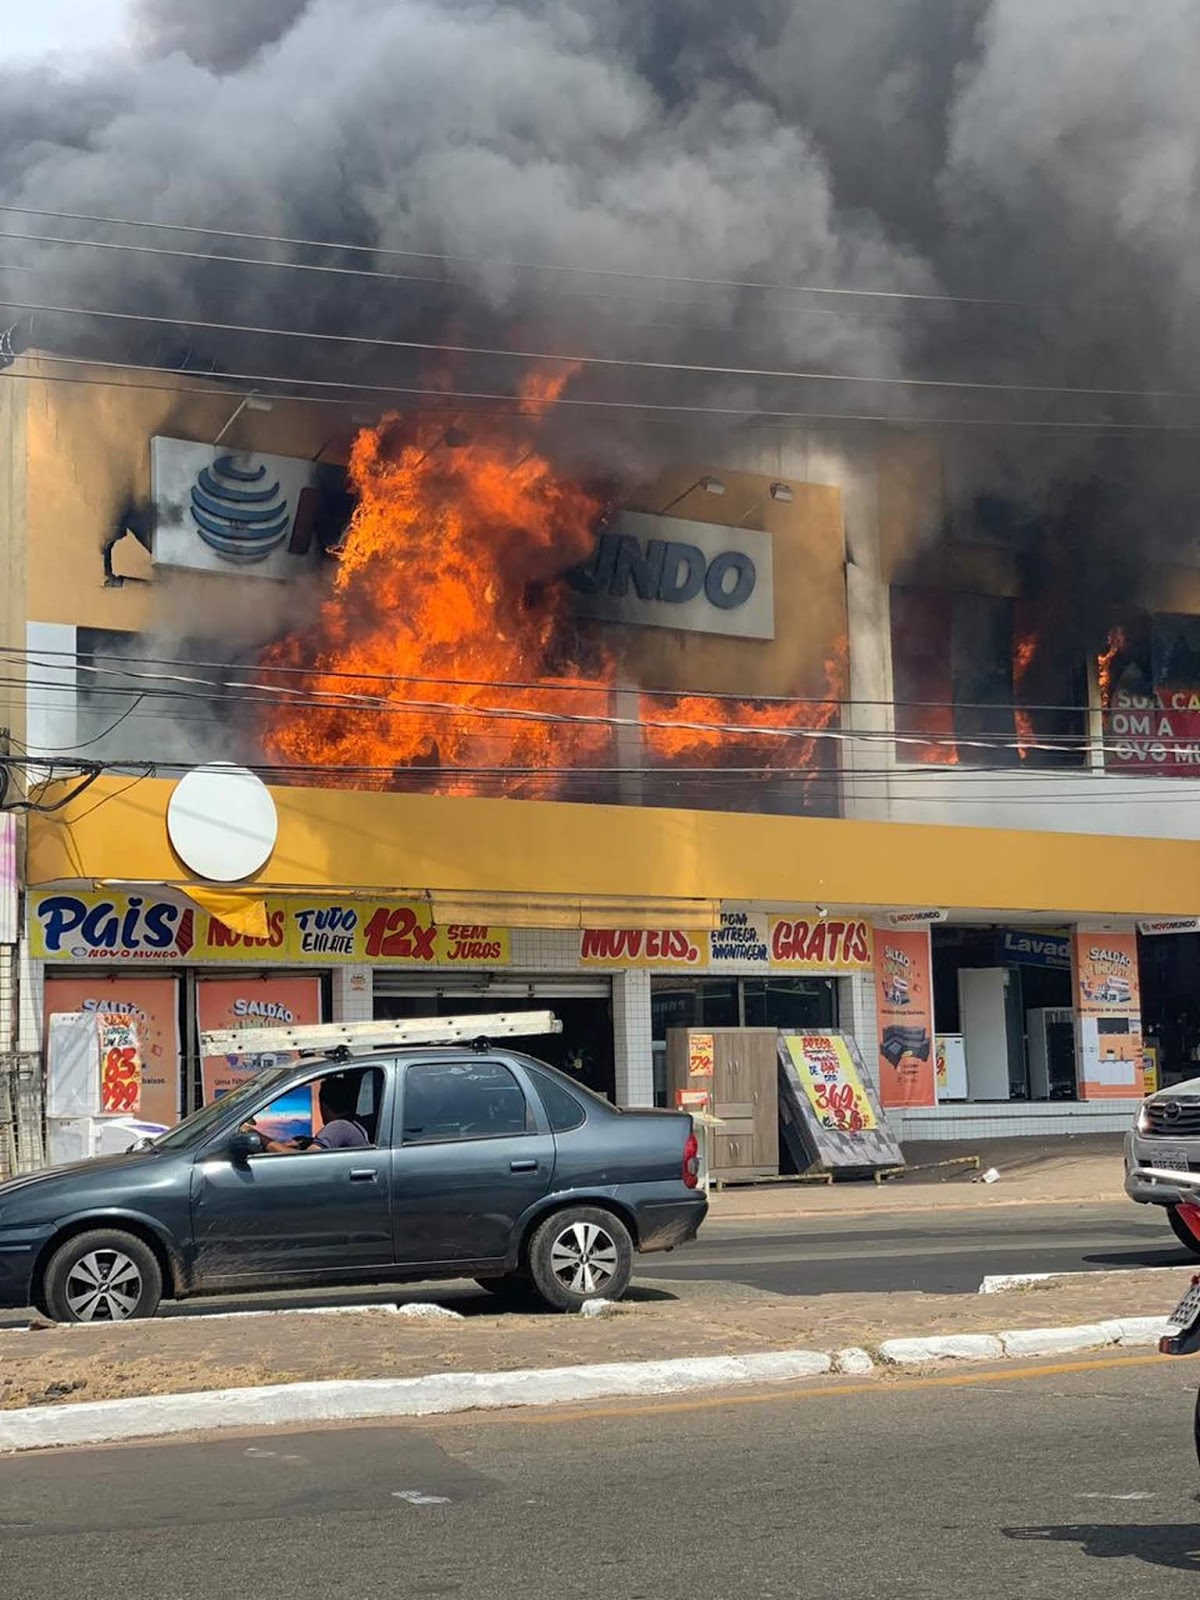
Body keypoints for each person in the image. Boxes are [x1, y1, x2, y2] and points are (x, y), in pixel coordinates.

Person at [245, 1073, 371, 1153]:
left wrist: (260, 1138)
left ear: (323, 1105)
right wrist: (306, 1142)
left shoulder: (338, 1127)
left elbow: (303, 1162)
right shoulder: (353, 1124)